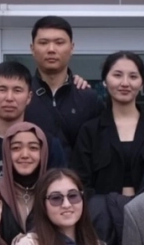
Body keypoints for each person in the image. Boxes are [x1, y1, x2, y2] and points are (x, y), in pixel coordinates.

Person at [72, 51, 144, 199]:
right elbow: (80, 182)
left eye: (133, 76)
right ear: (105, 81)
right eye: (117, 75)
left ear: (142, 84)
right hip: (102, 210)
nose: (125, 83)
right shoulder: (90, 131)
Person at [0, 61, 63, 182]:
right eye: (2, 90)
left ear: (29, 97)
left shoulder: (48, 144)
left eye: (17, 90)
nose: (9, 98)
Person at [26, 15, 102, 159]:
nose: (51, 49)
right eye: (43, 43)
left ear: (72, 47)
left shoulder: (89, 98)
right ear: (32, 48)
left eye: (59, 42)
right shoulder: (21, 96)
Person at [0, 121, 49, 243]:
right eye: (16, 148)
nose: (25, 155)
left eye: (33, 148)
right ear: (6, 152)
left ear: (43, 152)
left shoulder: (55, 196)